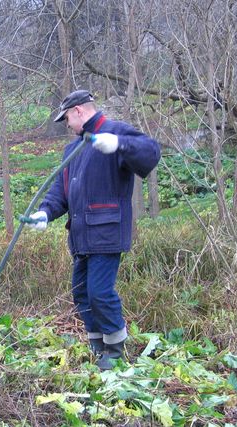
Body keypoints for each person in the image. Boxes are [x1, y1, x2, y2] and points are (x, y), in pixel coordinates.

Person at [27, 89, 161, 370]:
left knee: (100, 291)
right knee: (82, 293)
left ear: (78, 111)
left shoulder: (114, 132)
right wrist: (45, 213)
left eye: (66, 119)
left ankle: (114, 349)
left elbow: (151, 152)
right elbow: (60, 192)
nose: (66, 125)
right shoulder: (72, 149)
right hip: (80, 236)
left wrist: (119, 145)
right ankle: (97, 345)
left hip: (107, 232)